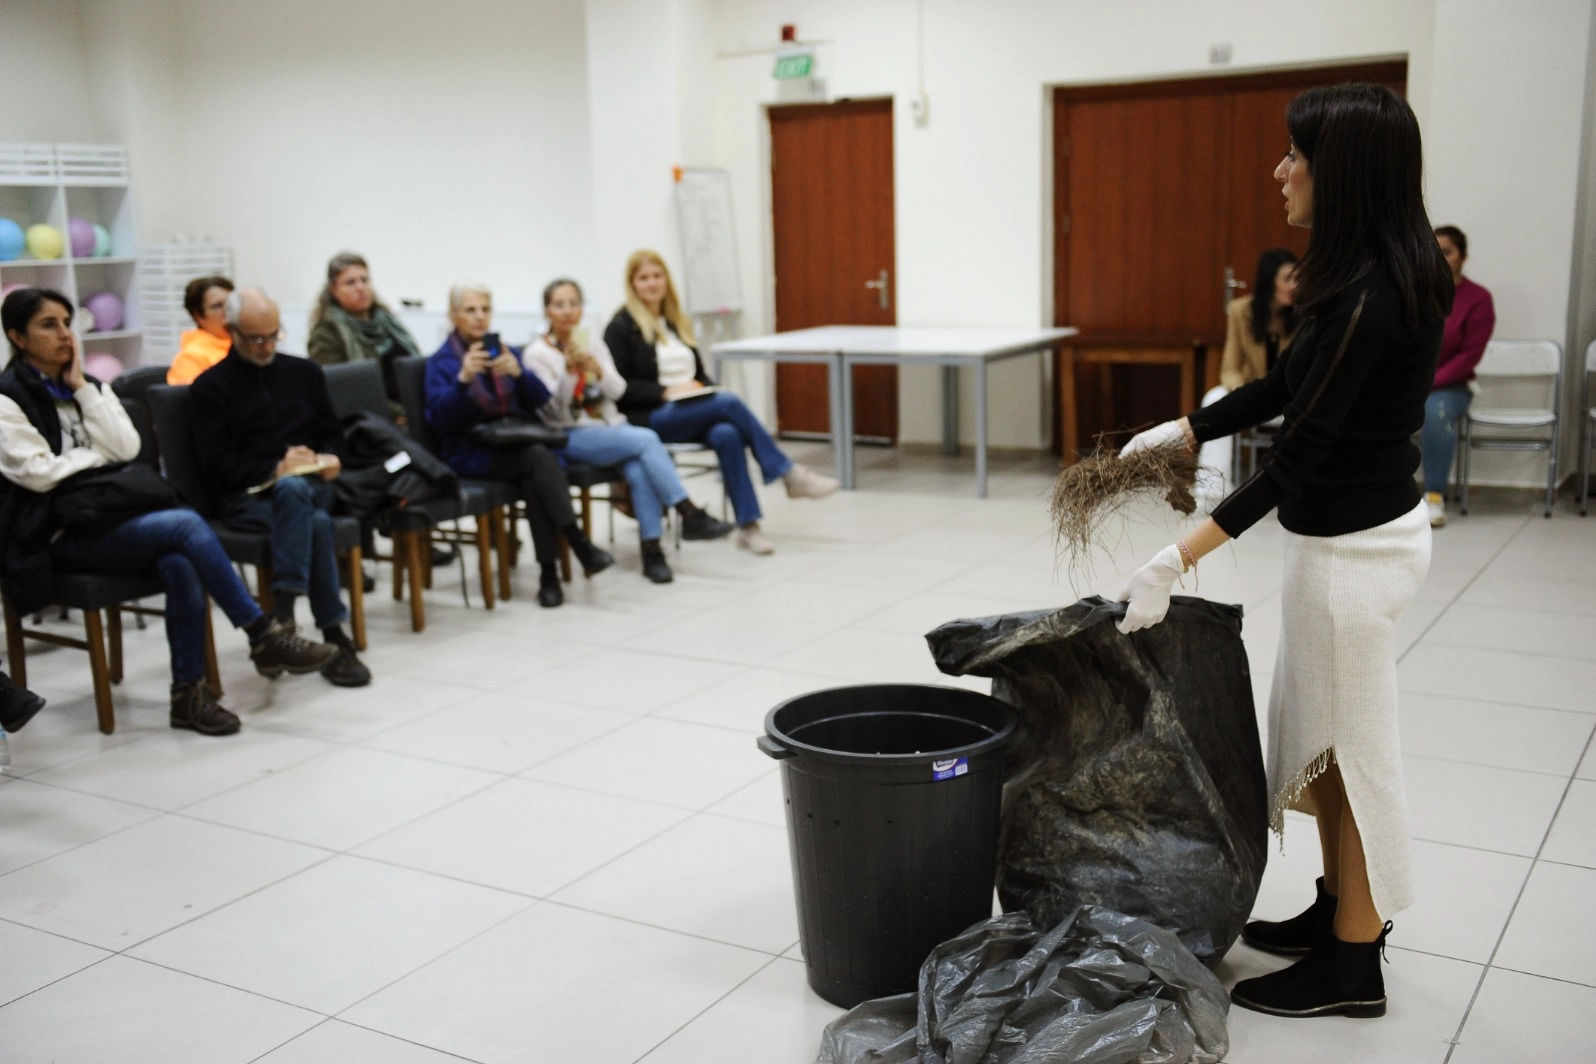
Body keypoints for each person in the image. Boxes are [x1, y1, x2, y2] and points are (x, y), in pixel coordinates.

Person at [1115, 84, 1454, 1020]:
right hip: (1346, 542)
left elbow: (1300, 457)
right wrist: (1187, 424)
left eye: (1294, 154)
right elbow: (1283, 388)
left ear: (1338, 172)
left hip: (1357, 556)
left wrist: (1175, 560)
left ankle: (1355, 969)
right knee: (1327, 744)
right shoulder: (1363, 274)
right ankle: (1337, 911)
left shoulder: (1374, 296)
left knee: (1358, 755)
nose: (1280, 170)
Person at [0, 287, 339, 736]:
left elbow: (127, 447)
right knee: (183, 523)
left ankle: (189, 695)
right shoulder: (6, 400)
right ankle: (262, 632)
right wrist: (97, 460)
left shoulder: (85, 387)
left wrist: (83, 390)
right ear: (17, 337)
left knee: (179, 563)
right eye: (49, 325)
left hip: (109, 521)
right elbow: (40, 474)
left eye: (67, 322)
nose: (65, 334)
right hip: (51, 537)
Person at [189, 288, 371, 687]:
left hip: (310, 487)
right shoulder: (209, 389)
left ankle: (282, 621)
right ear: (232, 332)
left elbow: (332, 435)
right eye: (256, 338)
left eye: (274, 335)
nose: (266, 345)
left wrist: (328, 458)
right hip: (248, 497)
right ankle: (332, 635)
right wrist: (274, 468)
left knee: (299, 494)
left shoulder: (304, 373)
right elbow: (216, 468)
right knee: (313, 518)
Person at [604, 250, 837, 556]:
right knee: (728, 403)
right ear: (632, 284)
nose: (652, 284)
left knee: (727, 432)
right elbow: (619, 388)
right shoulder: (621, 327)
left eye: (657, 276)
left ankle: (749, 527)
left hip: (686, 411)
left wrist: (702, 387)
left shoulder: (675, 322)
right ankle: (788, 473)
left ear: (667, 281)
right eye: (644, 278)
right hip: (649, 417)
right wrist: (664, 391)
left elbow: (698, 373)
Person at [524, 278, 733, 584]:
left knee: (639, 469)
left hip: (609, 427)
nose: (568, 311)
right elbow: (552, 411)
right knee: (647, 439)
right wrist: (570, 374)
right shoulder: (537, 354)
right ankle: (687, 511)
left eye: (574, 303)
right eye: (559, 305)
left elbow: (618, 390)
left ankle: (652, 551)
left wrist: (598, 368)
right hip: (570, 433)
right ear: (546, 311)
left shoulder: (591, 343)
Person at [424, 283, 614, 607]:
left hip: (516, 443)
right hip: (471, 452)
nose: (479, 317)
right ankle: (575, 546)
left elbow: (542, 401)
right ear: (454, 315)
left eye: (484, 309)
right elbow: (440, 419)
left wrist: (519, 374)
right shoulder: (442, 362)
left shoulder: (505, 350)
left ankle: (550, 574)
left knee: (534, 469)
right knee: (538, 461)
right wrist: (464, 381)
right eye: (470, 310)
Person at [1198, 249, 1300, 493]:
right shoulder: (1240, 311)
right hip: (1256, 393)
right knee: (1214, 397)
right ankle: (1211, 489)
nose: (1295, 285)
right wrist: (1240, 389)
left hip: (1291, 398)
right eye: (1287, 278)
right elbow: (1230, 367)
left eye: (1298, 278)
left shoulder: (1304, 313)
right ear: (1269, 281)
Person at [1421, 225, 1495, 527]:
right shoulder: (1416, 291)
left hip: (1452, 385)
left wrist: (1427, 383)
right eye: (1434, 251)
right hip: (1412, 381)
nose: (1440, 258)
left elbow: (1469, 357)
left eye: (1447, 252)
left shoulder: (1478, 298)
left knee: (1435, 413)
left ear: (1462, 258)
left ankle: (1434, 497)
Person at [306, 252, 422, 416]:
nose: (360, 288)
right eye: (350, 283)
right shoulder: (326, 334)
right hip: (370, 420)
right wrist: (399, 414)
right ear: (334, 290)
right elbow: (341, 390)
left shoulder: (387, 321)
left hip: (412, 411)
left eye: (364, 280)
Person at [166, 275, 234, 385]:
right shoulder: (191, 358)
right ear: (199, 316)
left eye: (231, 304)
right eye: (217, 306)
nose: (228, 311)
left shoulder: (247, 346)